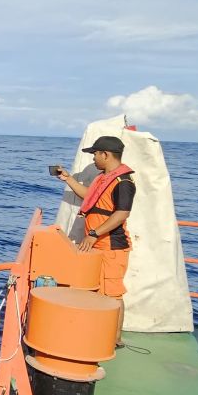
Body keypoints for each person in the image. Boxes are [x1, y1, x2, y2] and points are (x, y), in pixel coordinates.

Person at [56, 134, 135, 345]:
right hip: (97, 244)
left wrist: (93, 234)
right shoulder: (103, 178)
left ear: (105, 154)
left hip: (112, 246)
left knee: (113, 294)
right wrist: (68, 179)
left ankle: (115, 340)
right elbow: (90, 196)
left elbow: (122, 214)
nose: (93, 159)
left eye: (95, 154)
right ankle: (100, 332)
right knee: (98, 290)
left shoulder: (123, 182)